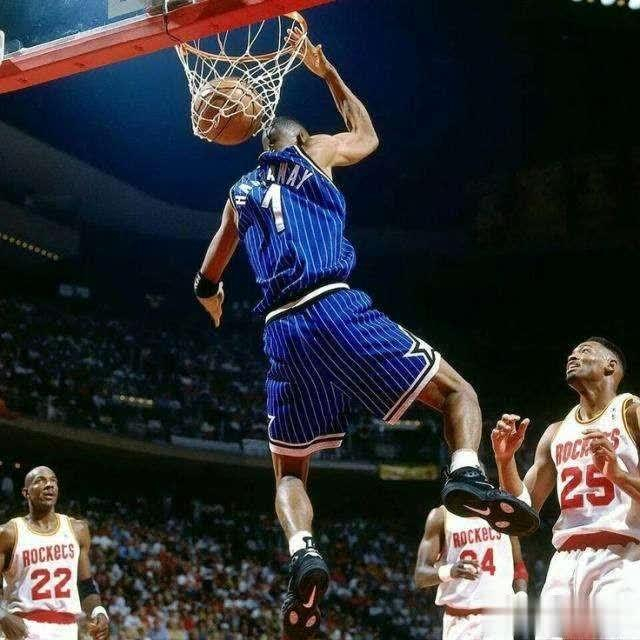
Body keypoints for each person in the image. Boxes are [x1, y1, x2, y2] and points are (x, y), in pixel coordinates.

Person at [195, 28, 537, 639]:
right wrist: (327, 72)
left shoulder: (239, 194)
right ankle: (465, 472)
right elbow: (368, 134)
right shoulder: (315, 153)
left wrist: (210, 295)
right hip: (332, 303)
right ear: (303, 140)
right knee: (458, 394)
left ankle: (303, 552)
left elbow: (210, 267)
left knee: (290, 471)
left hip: (280, 331)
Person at [491, 337, 640, 639]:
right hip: (564, 562)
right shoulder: (556, 432)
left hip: (622, 558)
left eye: (585, 351)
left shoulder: (632, 413)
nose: (573, 356)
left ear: (610, 366)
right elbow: (522, 513)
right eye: (572, 352)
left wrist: (618, 475)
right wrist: (505, 461)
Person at [0, 466, 109, 640]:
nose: (49, 485)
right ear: (26, 492)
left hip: (66, 630)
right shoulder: (9, 533)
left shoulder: (78, 529)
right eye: (40, 481)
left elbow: (86, 585)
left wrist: (98, 611)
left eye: (53, 481)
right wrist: (3, 615)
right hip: (22, 628)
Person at [414, 496, 529, 640]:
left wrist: (521, 597)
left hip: (499, 621)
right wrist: (450, 571)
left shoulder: (503, 511)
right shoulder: (441, 515)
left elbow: (519, 567)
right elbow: (420, 576)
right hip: (459, 618)